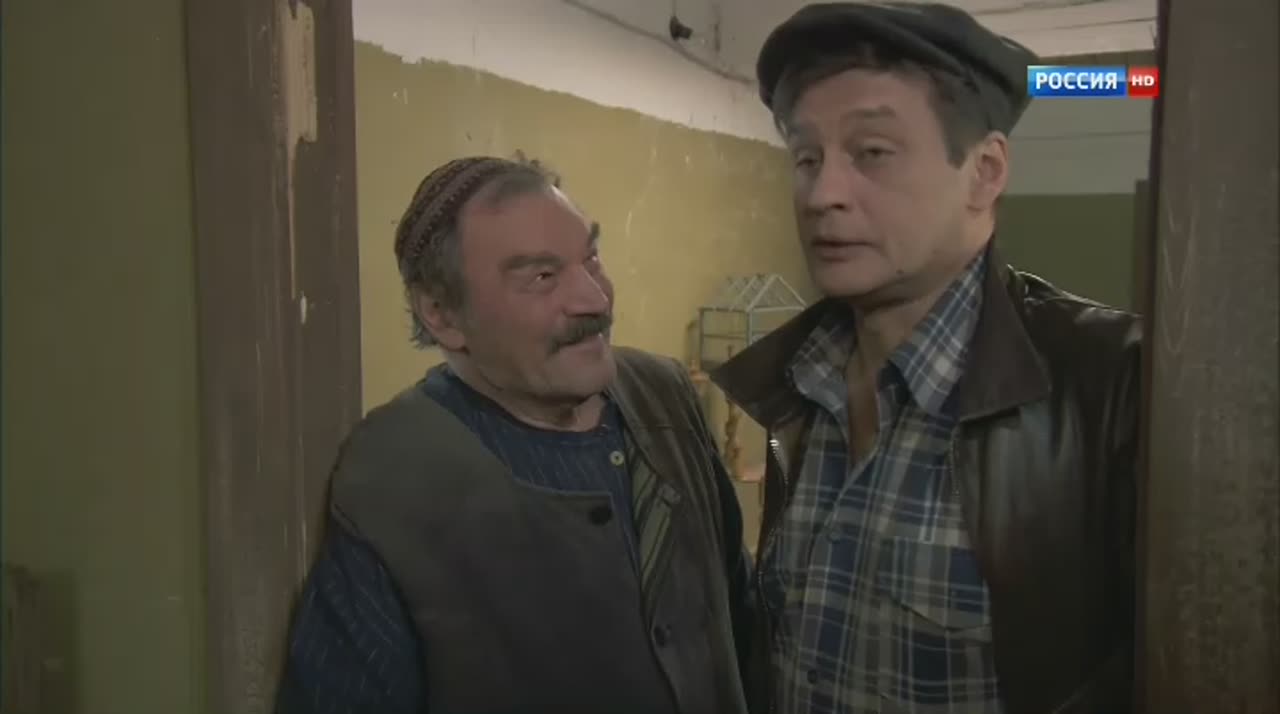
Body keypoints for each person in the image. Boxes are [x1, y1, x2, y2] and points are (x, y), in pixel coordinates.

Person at [710, 4, 1142, 714]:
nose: (822, 195)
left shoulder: (1120, 387)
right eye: (806, 158)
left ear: (984, 172)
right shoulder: (797, 383)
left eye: (873, 153)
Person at [276, 156, 753, 714]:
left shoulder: (665, 395)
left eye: (591, 258)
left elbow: (741, 614)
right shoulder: (394, 476)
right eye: (542, 277)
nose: (595, 300)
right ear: (442, 314)